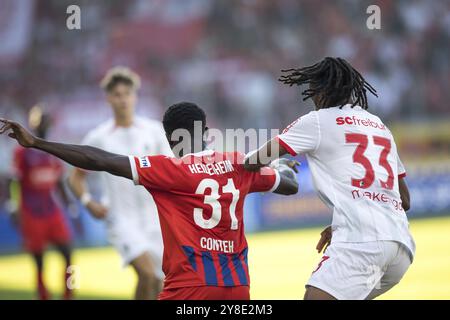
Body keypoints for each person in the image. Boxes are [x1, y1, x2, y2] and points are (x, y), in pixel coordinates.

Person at [0, 101, 299, 300]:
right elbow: (288, 185)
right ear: (207, 133)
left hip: (189, 288)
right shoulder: (239, 164)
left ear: (169, 140)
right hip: (238, 288)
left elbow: (99, 159)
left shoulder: (168, 169)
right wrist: (281, 166)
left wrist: (37, 143)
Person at [245, 57, 415, 300]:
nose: (312, 96)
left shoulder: (317, 121)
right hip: (400, 250)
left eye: (313, 90)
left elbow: (253, 161)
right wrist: (342, 220)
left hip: (361, 243)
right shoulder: (378, 125)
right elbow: (404, 199)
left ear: (322, 90)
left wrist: (274, 164)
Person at [68, 67, 172, 300]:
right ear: (108, 98)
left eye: (127, 93)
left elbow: (170, 169)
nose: (123, 99)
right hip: (120, 219)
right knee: (146, 274)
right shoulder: (99, 136)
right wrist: (87, 201)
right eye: (117, 94)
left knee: (158, 282)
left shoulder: (153, 131)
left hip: (155, 219)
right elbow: (74, 176)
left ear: (135, 96)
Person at [6, 106, 74, 300]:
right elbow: (14, 179)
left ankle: (69, 293)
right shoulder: (22, 152)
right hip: (31, 213)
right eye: (39, 119)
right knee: (39, 262)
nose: (43, 123)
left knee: (69, 256)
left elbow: (60, 180)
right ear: (32, 123)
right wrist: (13, 203)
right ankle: (43, 296)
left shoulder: (54, 149)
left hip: (53, 211)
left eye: (46, 119)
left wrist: (69, 203)